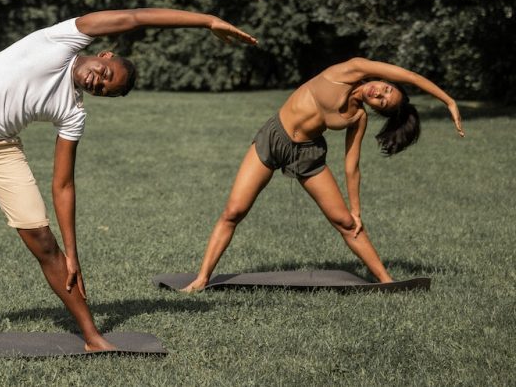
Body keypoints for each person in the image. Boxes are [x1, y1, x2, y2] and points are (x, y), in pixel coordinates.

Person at [0, 8, 257, 356]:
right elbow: (136, 17)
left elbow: (63, 184)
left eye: (105, 88)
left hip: (2, 150)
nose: (98, 81)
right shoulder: (64, 39)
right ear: (104, 54)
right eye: (106, 73)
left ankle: (91, 336)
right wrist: (206, 21)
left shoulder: (73, 112)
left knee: (47, 246)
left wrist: (73, 252)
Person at [180, 58, 465, 292]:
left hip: (307, 153)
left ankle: (386, 281)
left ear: (378, 111)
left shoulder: (358, 117)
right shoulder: (351, 70)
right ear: (383, 80)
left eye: (384, 103)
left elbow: (352, 165)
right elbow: (408, 74)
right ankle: (202, 278)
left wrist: (356, 210)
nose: (380, 95)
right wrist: (448, 100)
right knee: (234, 211)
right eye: (386, 90)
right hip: (274, 137)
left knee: (345, 222)